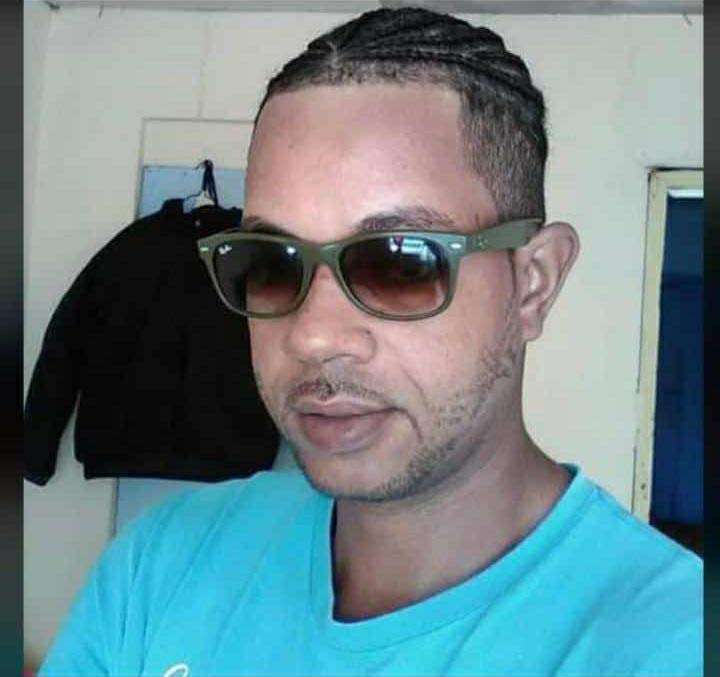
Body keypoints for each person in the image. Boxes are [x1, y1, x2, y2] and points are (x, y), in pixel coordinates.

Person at [40, 7, 702, 676]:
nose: (313, 335)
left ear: (532, 284)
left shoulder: (671, 643)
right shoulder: (159, 568)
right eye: (270, 263)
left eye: (400, 263)